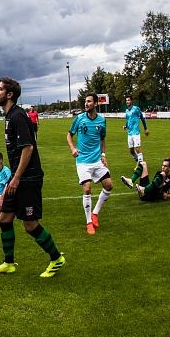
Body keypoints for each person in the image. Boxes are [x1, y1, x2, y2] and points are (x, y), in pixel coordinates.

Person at [0, 77, 65, 278]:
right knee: (4, 219)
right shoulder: (9, 116)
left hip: (28, 178)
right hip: (17, 176)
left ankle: (56, 258)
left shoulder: (18, 116)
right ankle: (8, 263)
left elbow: (28, 148)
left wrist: (17, 178)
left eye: (0, 89)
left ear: (10, 94)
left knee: (30, 225)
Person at [67, 92, 113, 235]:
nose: (86, 104)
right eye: (85, 101)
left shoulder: (102, 120)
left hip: (97, 160)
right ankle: (88, 222)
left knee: (109, 185)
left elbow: (102, 138)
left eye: (89, 101)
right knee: (87, 188)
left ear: (96, 104)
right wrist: (73, 148)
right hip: (82, 161)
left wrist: (103, 155)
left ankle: (95, 213)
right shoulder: (79, 119)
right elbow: (69, 135)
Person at [122, 95, 149, 163]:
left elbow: (142, 118)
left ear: (131, 101)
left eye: (128, 100)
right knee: (131, 151)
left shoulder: (136, 109)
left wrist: (145, 129)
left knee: (137, 148)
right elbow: (128, 120)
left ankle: (141, 164)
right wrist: (125, 126)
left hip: (136, 132)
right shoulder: (127, 111)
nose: (127, 101)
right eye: (126, 100)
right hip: (129, 133)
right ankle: (138, 160)